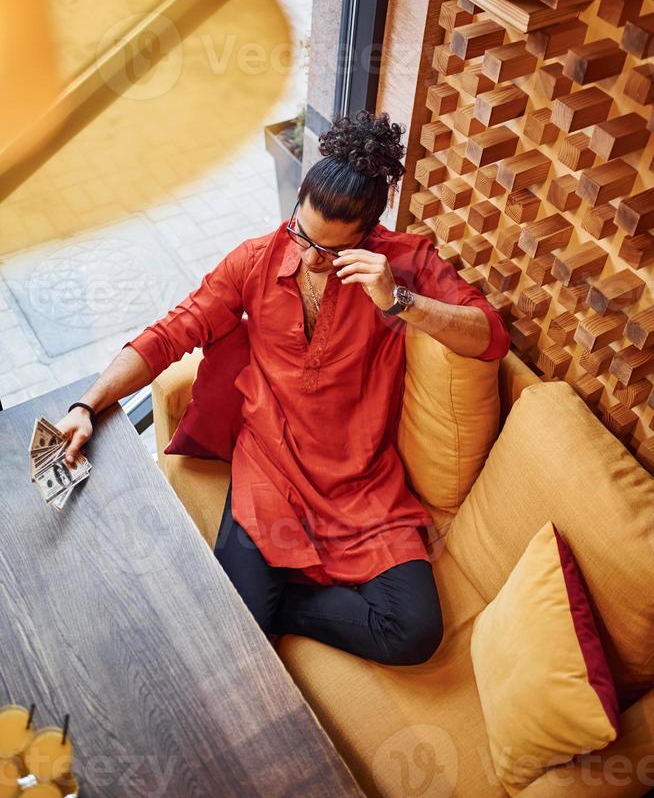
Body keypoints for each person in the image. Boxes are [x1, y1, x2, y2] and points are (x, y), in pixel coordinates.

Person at [56, 109, 510, 665]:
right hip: (269, 470)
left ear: (368, 238)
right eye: (302, 233)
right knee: (236, 643)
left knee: (414, 633)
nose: (310, 257)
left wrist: (400, 301)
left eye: (331, 251)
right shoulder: (255, 260)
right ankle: (256, 603)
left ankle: (277, 604)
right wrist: (86, 404)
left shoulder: (405, 264)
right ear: (297, 205)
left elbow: (490, 336)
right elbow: (171, 333)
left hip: (362, 484)